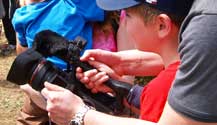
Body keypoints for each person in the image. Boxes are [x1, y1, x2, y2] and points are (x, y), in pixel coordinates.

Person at [41, 1, 215, 125]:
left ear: (161, 25)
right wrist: (123, 89)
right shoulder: (199, 71)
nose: (122, 22)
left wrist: (78, 113)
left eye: (128, 16)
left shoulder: (163, 87)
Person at [12, 0, 104, 124]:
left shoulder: (74, 4)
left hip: (75, 86)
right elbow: (23, 54)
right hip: (39, 85)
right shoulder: (21, 16)